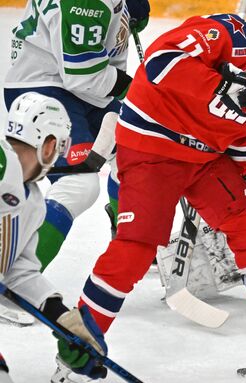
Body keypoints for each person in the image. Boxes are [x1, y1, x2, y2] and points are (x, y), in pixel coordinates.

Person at [77, 0, 246, 375]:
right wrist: (220, 84)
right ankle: (77, 347)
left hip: (205, 160)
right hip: (152, 147)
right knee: (135, 251)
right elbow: (158, 62)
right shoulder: (220, 35)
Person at [3, 0, 150, 272]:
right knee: (79, 185)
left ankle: (130, 238)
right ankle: (12, 278)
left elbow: (103, 65)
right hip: (44, 86)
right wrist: (140, 92)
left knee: (137, 148)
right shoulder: (85, 2)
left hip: (81, 86)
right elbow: (83, 75)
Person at [0, 92, 108, 383]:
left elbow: (17, 272)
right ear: (48, 144)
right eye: (61, 146)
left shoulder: (32, 202)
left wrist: (62, 316)